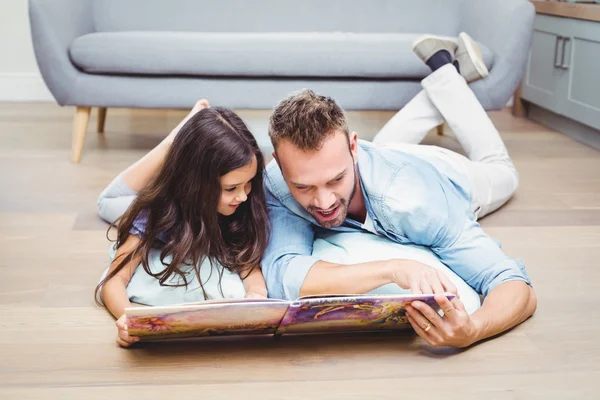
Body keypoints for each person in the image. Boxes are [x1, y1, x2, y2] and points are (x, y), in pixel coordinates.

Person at [261, 32, 537, 348]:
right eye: (304, 186)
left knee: (502, 169)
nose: (323, 201)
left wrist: (473, 329)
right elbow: (283, 273)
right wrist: (393, 269)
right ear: (279, 165)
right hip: (384, 158)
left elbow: (514, 285)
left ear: (354, 148)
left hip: (448, 173)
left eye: (335, 180)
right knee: (377, 157)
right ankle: (448, 73)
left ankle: (447, 72)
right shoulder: (279, 181)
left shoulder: (416, 201)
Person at [95, 103, 270, 347]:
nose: (243, 196)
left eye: (248, 183)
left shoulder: (244, 203)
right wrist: (127, 318)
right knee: (107, 203)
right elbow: (113, 281)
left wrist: (256, 295)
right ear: (197, 186)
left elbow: (249, 267)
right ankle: (174, 139)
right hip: (156, 199)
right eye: (231, 188)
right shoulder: (156, 212)